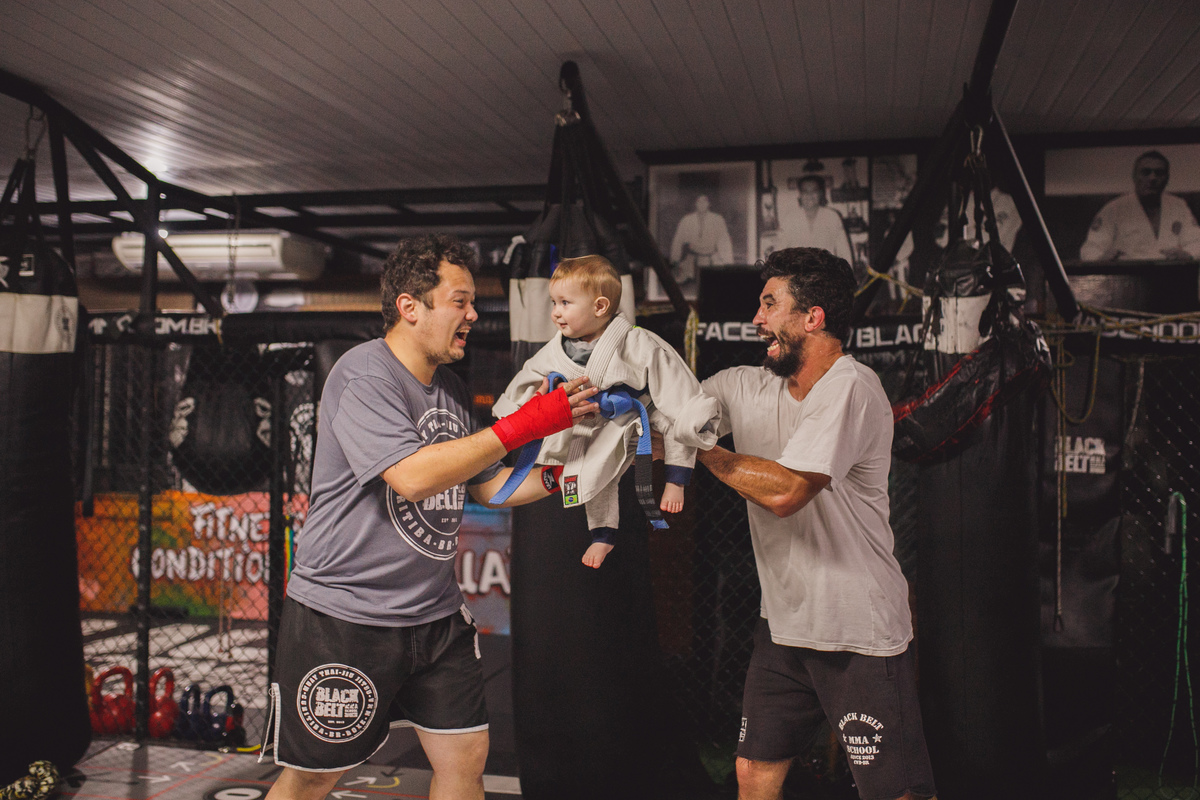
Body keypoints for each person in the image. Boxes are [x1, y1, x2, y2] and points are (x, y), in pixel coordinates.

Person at [261, 234, 599, 800]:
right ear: (409, 307)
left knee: (464, 760)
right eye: (459, 301)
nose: (473, 315)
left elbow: (488, 485)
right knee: (315, 775)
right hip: (346, 615)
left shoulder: (451, 390)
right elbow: (413, 476)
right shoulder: (364, 374)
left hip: (434, 614)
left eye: (473, 303)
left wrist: (575, 474)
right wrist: (526, 425)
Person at [694, 247, 936, 800]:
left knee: (894, 792)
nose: (756, 319)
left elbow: (786, 492)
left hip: (858, 631)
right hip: (784, 625)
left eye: (769, 304)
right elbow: (670, 420)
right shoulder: (745, 386)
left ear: (813, 317)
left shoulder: (851, 387)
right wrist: (591, 411)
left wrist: (701, 448)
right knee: (753, 773)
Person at [494, 255, 720, 568]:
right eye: (553, 302)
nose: (556, 312)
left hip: (640, 408)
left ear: (600, 307)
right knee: (591, 473)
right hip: (595, 420)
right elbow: (530, 374)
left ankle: (676, 480)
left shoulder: (636, 340)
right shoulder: (556, 347)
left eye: (565, 303)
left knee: (678, 419)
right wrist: (514, 409)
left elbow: (670, 378)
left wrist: (686, 413)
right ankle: (603, 534)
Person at [1079, 150, 1200, 261]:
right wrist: (1101, 258)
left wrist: (1188, 254)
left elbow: (1196, 242)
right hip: (1127, 274)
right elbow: (1091, 248)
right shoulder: (1114, 209)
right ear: (1135, 176)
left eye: (1159, 173)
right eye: (1146, 172)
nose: (1152, 178)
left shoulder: (1179, 206)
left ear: (1167, 178)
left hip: (1169, 272)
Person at [771, 175, 853, 262]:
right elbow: (779, 250)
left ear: (820, 194)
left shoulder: (832, 217)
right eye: (805, 191)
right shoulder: (790, 219)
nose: (809, 195)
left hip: (826, 269)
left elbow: (844, 251)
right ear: (800, 195)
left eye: (814, 191)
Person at [670, 194, 735, 285]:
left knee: (716, 282)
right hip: (691, 260)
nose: (702, 204)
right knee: (682, 281)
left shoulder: (718, 219)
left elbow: (724, 241)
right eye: (699, 202)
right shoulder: (686, 220)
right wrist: (675, 259)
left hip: (711, 259)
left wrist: (728, 263)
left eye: (704, 201)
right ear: (695, 204)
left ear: (709, 204)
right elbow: (678, 240)